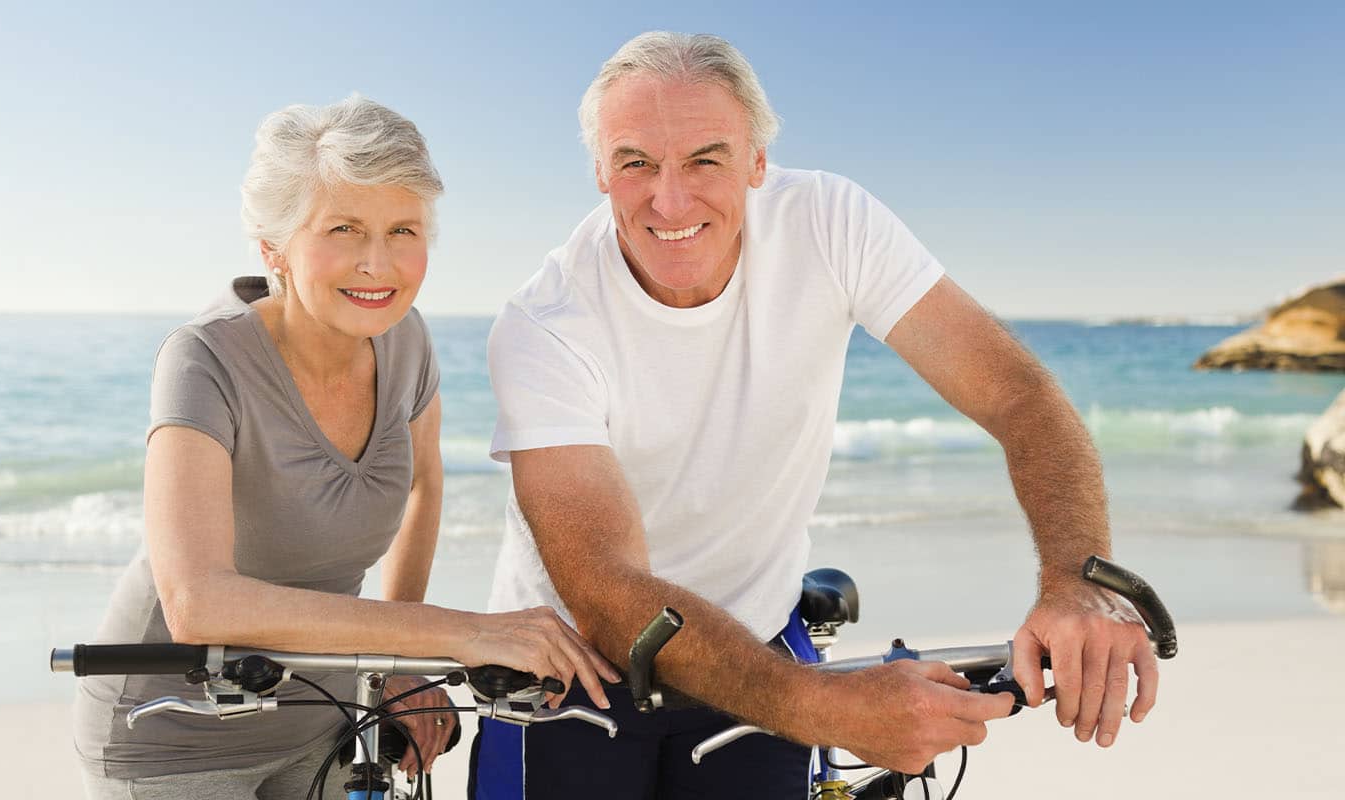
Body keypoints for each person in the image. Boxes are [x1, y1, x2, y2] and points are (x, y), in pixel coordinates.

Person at [471, 32, 1160, 798]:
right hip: (571, 669)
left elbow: (1015, 393)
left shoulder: (830, 222)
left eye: (706, 158)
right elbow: (605, 585)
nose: (670, 199)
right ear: (600, 173)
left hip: (756, 640)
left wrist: (1075, 579)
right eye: (635, 162)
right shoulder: (545, 322)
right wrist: (822, 705)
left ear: (758, 162)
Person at [72, 94, 618, 800]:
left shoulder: (408, 339)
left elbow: (424, 484)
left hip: (319, 720)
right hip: (172, 733)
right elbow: (197, 601)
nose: (378, 263)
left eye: (403, 229)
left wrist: (394, 659)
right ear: (274, 247)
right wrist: (453, 633)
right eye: (343, 228)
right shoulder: (202, 360)